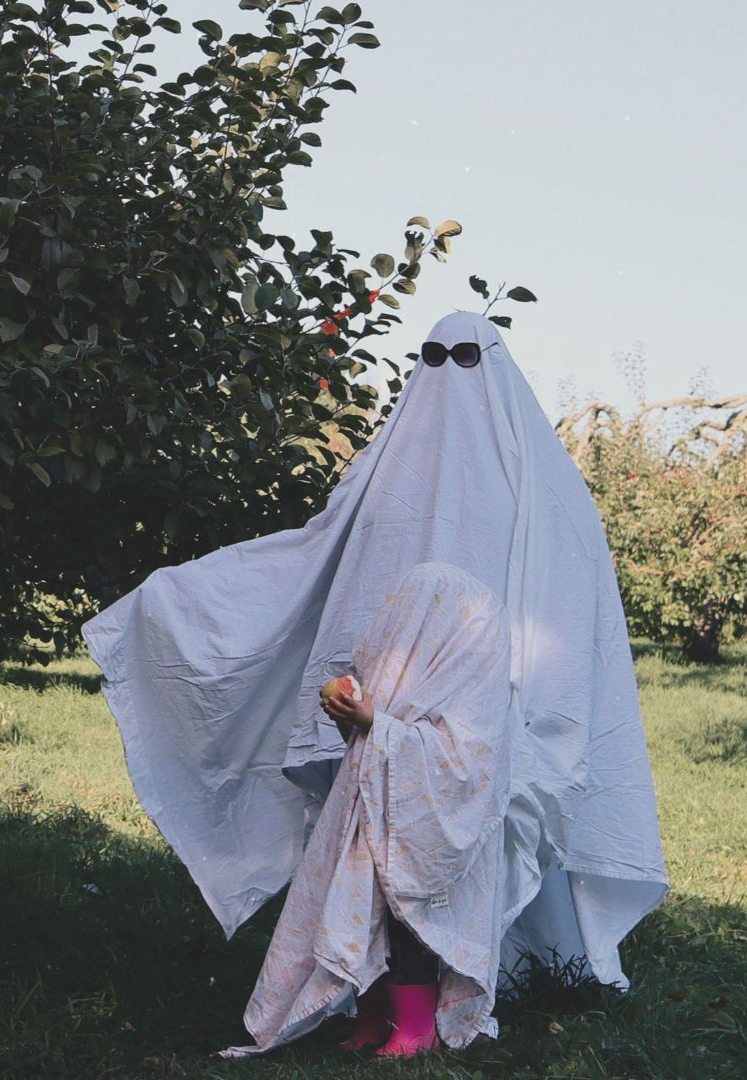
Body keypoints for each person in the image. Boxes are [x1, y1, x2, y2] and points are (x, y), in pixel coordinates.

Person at [81, 311, 667, 1049]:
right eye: (433, 356)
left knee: (478, 833)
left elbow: (571, 601)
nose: (449, 374)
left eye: (464, 356)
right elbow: (318, 557)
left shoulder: (546, 488)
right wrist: (181, 602)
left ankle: (500, 968)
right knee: (377, 859)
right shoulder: (387, 471)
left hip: (485, 710)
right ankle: (383, 1000)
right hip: (382, 708)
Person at [231, 562, 512, 1055]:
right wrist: (358, 718)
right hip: (371, 814)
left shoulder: (470, 684)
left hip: (421, 834)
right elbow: (367, 744)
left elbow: (464, 759)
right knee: (362, 916)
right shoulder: (403, 674)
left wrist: (377, 724)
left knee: (407, 925)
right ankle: (374, 1018)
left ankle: (416, 1029)